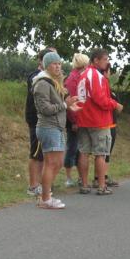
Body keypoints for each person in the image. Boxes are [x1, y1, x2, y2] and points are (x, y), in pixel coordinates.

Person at [32, 51, 80, 209]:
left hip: (56, 127)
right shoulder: (42, 83)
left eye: (59, 63)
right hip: (48, 127)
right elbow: (45, 108)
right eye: (54, 64)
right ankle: (45, 198)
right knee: (52, 164)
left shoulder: (53, 82)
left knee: (57, 163)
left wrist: (70, 105)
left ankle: (45, 196)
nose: (58, 67)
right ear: (47, 65)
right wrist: (65, 105)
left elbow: (59, 102)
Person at [76, 48, 123, 195]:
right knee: (101, 153)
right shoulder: (96, 75)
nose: (107, 62)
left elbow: (81, 98)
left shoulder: (83, 75)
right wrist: (115, 104)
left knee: (84, 152)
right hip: (98, 120)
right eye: (105, 59)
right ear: (96, 60)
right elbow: (100, 99)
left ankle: (84, 184)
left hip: (83, 119)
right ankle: (102, 185)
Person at [25, 49, 53, 196]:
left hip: (47, 121)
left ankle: (41, 183)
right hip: (37, 120)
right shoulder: (36, 76)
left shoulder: (48, 77)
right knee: (36, 153)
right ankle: (33, 185)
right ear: (41, 61)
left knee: (43, 154)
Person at [63, 52, 88, 187]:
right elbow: (72, 102)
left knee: (79, 149)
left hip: (80, 118)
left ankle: (79, 176)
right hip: (74, 119)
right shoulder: (72, 79)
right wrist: (74, 121)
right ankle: (68, 177)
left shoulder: (78, 77)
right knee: (72, 148)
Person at [95, 63, 120, 188]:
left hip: (111, 122)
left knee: (106, 152)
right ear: (105, 72)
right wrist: (116, 105)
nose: (110, 73)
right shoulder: (103, 86)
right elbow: (106, 102)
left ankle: (102, 176)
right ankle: (100, 178)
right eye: (109, 71)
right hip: (107, 123)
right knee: (104, 152)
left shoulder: (105, 85)